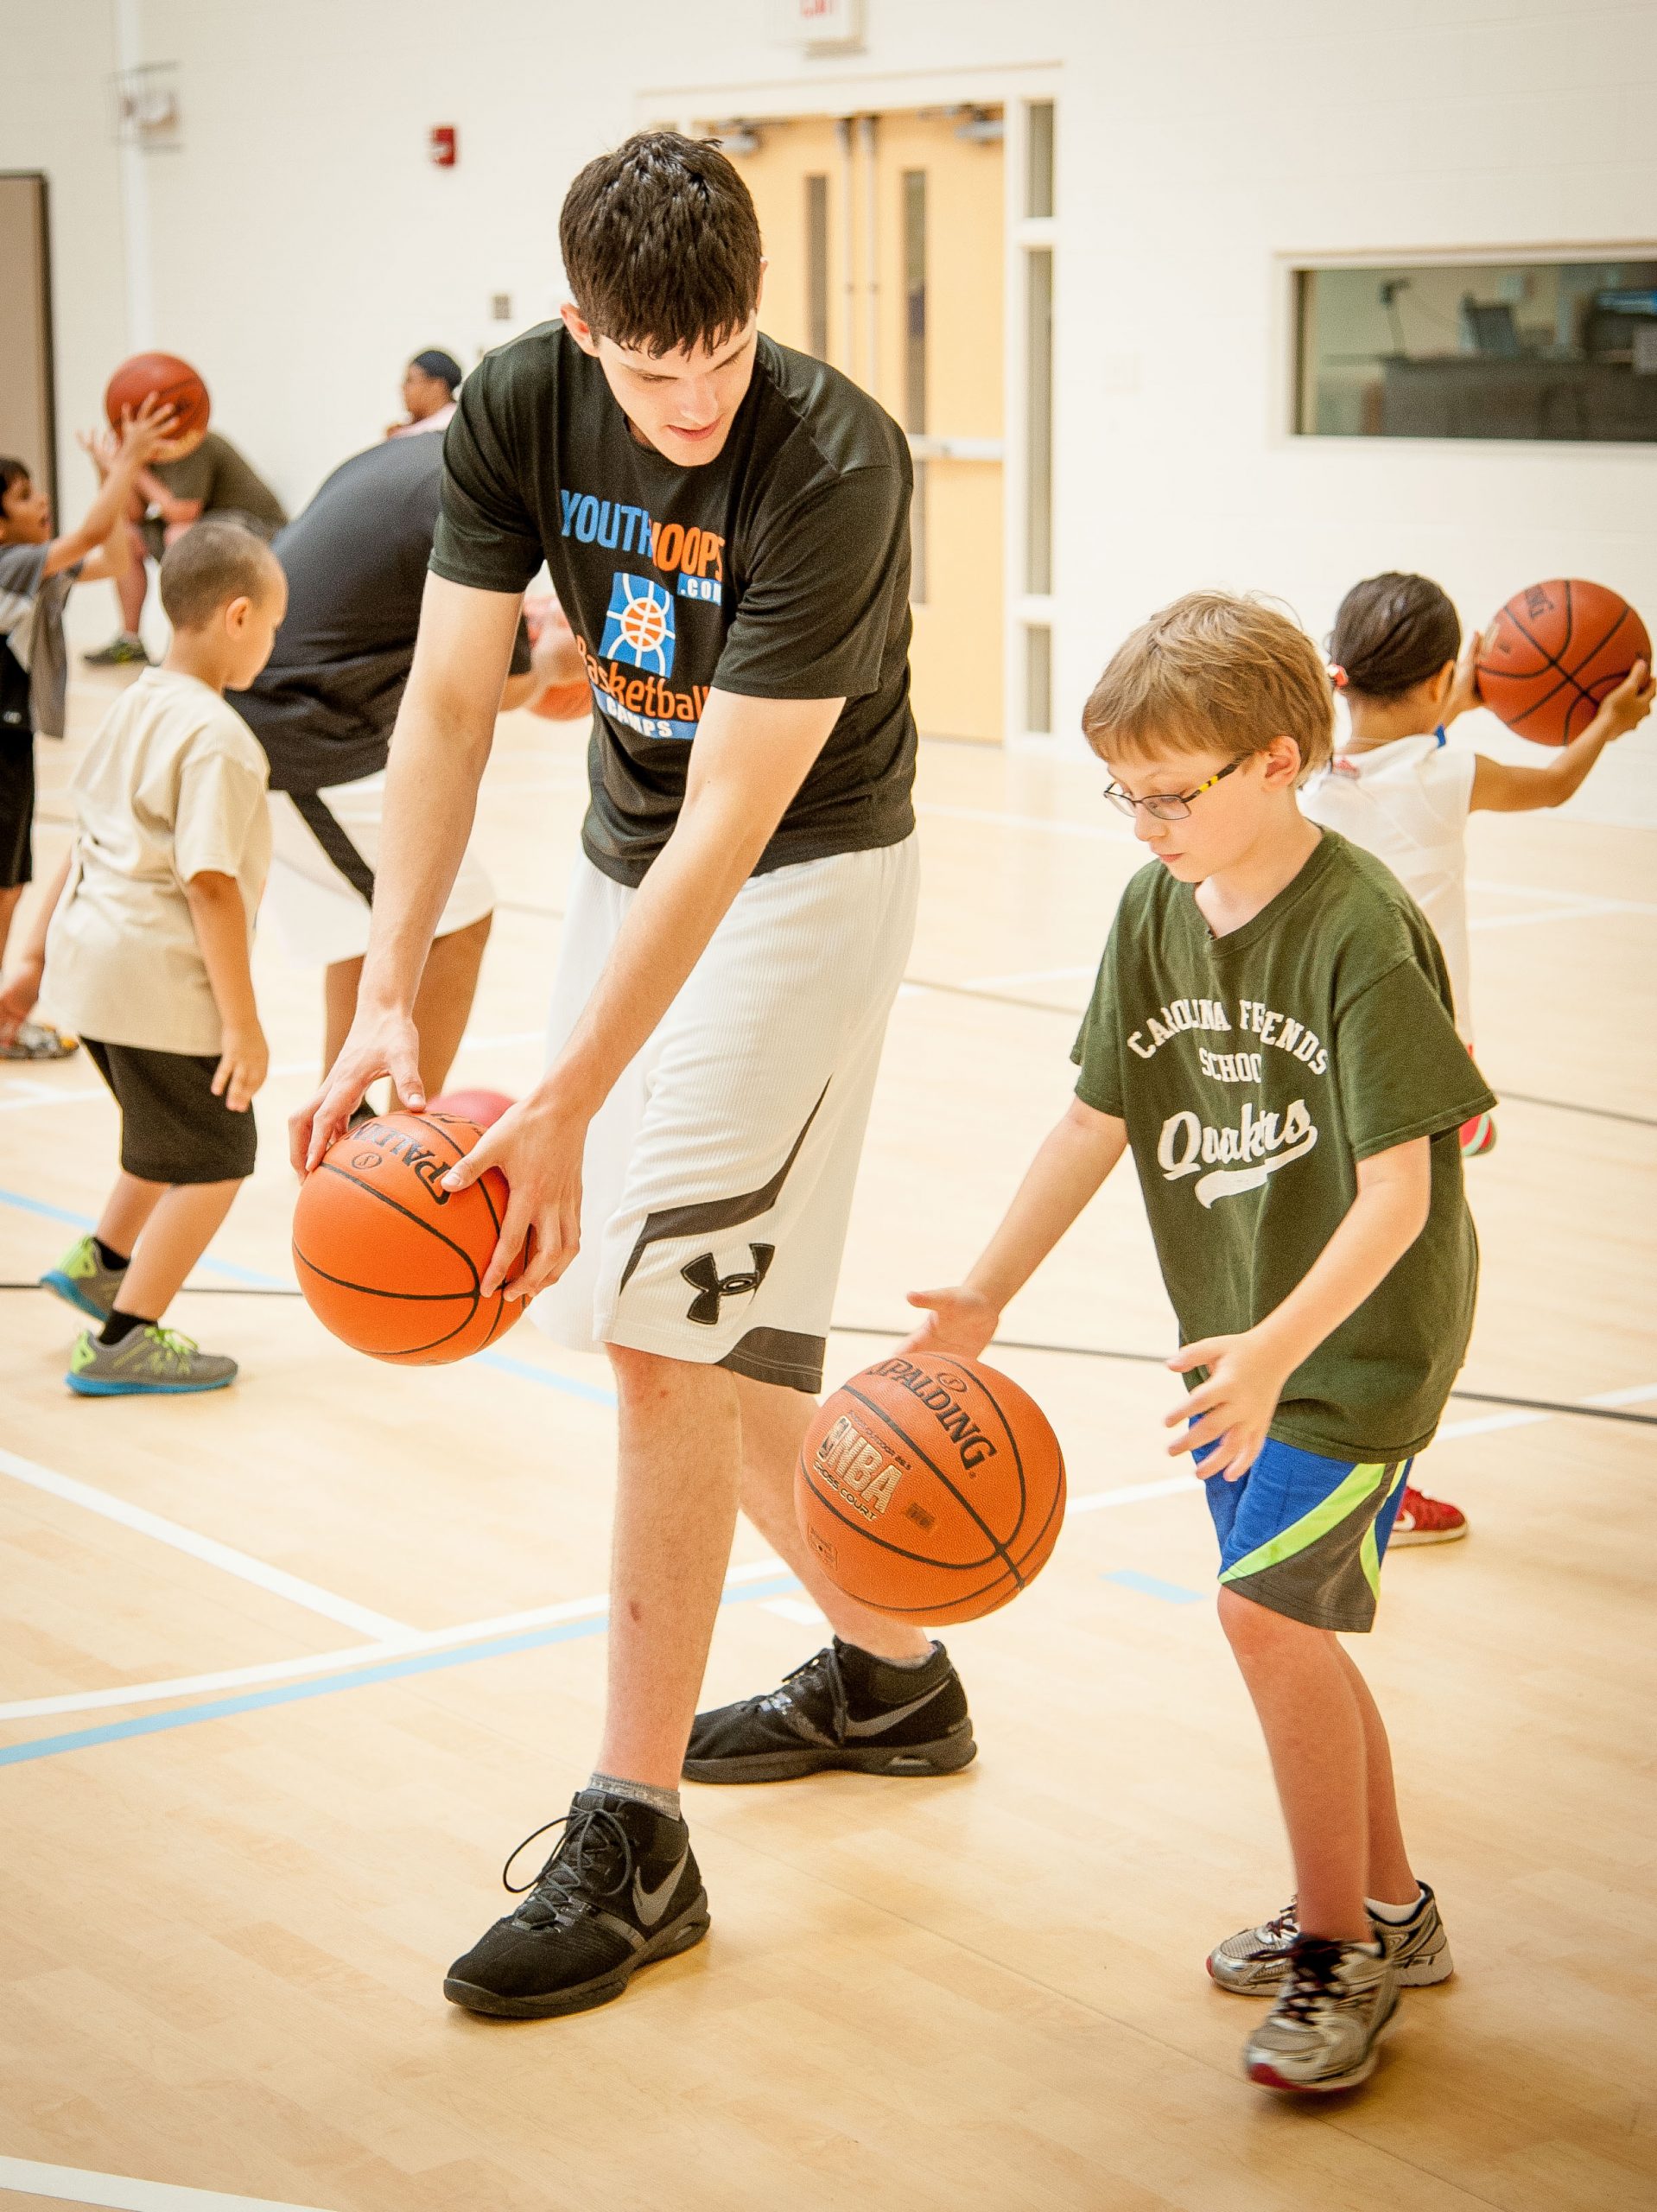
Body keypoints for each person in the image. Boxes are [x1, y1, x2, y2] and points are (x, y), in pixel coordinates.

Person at [293, 130, 965, 2022]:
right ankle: (889, 1670)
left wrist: (563, 1093)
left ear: (764, 312)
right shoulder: (520, 400)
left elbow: (732, 826)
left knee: (670, 1332)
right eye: (649, 365)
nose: (689, 400)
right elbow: (443, 701)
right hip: (621, 862)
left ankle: (633, 1829)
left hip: (800, 877)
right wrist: (389, 1001)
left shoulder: (834, 457)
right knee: (660, 1322)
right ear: (582, 327)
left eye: (723, 355)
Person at [905, 592, 1493, 2095]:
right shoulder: (1153, 912)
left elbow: (1399, 1191)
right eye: (1126, 796)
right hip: (1230, 1344)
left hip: (1352, 1350)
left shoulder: (1360, 925)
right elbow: (1093, 1116)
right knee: (1285, 1623)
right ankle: (1388, 1908)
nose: (1145, 825)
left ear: (1276, 762)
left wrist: (1278, 1350)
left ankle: (1332, 1949)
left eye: (1172, 796)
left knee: (1258, 1619)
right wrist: (984, 1291)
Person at [1301, 571, 1653, 1546]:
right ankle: (1380, 1483)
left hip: (1312, 1056)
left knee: (1335, 1261)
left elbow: (1400, 720)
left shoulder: (1303, 765)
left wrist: (1460, 681)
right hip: (1416, 1070)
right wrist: (1608, 722)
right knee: (1417, 1288)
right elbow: (1555, 783)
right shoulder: (1446, 775)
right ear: (1448, 676)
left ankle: (1315, 1450)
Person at [1, 522, 285, 1393]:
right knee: (218, 1154)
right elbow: (208, 884)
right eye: (271, 626)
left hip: (93, 970)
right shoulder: (221, 739)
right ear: (238, 617)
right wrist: (243, 1025)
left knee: (160, 1137)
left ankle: (105, 1260)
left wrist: (29, 953)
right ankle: (127, 1336)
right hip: (155, 980)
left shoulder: (133, 701)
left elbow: (83, 840)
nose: (271, 642)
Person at [229, 431, 581, 1096]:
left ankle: (353, 1127)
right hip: (300, 732)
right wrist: (553, 666)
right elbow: (495, 692)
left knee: (366, 926)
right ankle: (401, 1140)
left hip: (274, 710)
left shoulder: (411, 459)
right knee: (456, 917)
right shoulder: (482, 503)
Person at [0, 397, 175, 1056]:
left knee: (10, 885)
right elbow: (82, 541)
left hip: (13, 742)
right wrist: (127, 459)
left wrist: (115, 475)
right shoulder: (10, 566)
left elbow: (109, 555)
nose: (40, 501)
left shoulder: (33, 571)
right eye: (23, 497)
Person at [86, 421, 286, 667]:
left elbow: (182, 512)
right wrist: (111, 470)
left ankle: (184, 645)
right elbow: (131, 514)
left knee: (181, 537)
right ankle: (131, 642)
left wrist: (133, 466)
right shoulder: (146, 453)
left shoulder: (197, 443)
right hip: (209, 527)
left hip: (259, 528)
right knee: (128, 538)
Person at [386, 349, 463, 439]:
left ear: (437, 386)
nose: (403, 387)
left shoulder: (452, 426)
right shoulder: (406, 429)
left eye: (410, 380)